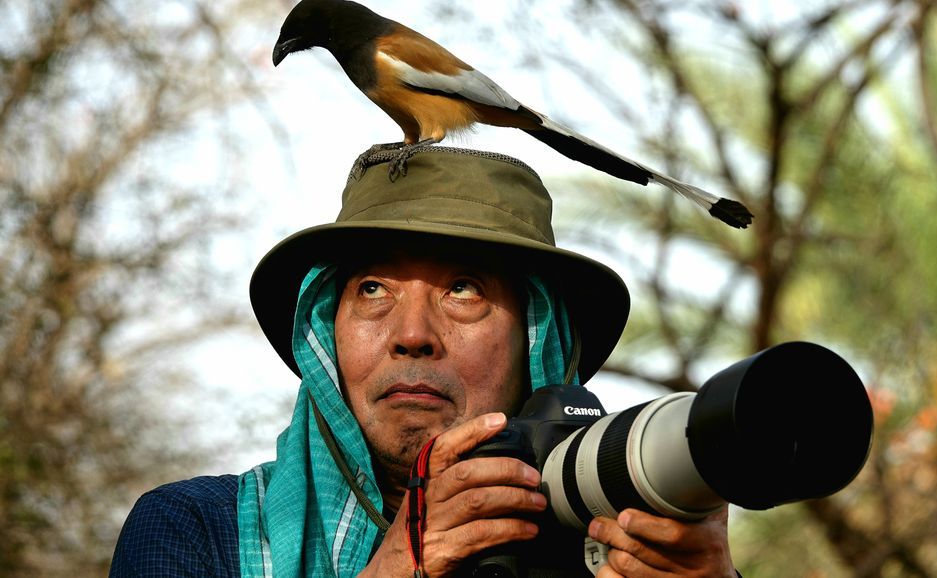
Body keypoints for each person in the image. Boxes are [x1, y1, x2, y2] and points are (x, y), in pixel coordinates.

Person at [110, 145, 739, 577]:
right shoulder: (198, 532)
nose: (412, 334)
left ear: (538, 340)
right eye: (373, 290)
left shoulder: (611, 543)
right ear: (327, 336)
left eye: (464, 290)